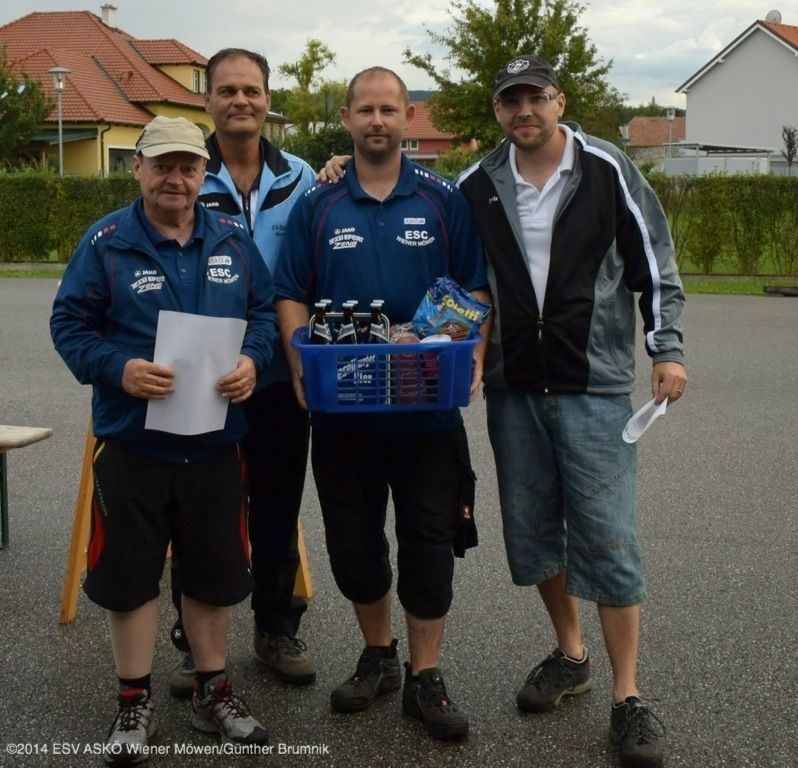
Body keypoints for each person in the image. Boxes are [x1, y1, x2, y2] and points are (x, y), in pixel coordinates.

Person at [455, 55, 687, 767]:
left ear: (559, 100)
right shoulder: (476, 184)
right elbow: (434, 238)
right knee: (534, 534)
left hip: (594, 386)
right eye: (510, 100)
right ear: (498, 111)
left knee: (609, 539)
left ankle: (628, 695)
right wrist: (339, 170)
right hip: (514, 390)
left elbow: (655, 264)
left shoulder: (606, 168)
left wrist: (667, 349)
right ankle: (571, 654)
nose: (523, 110)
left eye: (535, 97)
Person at [274, 66, 490, 742]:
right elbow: (290, 293)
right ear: (346, 118)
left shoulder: (443, 199)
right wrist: (297, 360)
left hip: (427, 409)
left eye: (388, 109)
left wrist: (473, 351)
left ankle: (426, 674)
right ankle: (379, 654)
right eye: (364, 109)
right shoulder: (319, 204)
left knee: (429, 544)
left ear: (406, 118)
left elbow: (476, 289)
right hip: (345, 408)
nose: (376, 120)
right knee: (353, 545)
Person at [51, 116, 276, 761]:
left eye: (187, 167)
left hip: (214, 444)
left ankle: (214, 692)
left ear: (203, 173)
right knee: (130, 578)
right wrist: (117, 369)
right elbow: (69, 324)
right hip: (132, 445)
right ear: (138, 169)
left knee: (211, 574)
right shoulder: (106, 242)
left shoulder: (233, 239)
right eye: (162, 166)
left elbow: (263, 314)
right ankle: (133, 701)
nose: (175, 178)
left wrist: (254, 360)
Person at [167, 48, 318, 697]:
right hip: (204, 373)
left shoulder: (301, 176)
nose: (240, 101)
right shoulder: (185, 171)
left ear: (267, 99)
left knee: (277, 508)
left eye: (251, 90)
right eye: (227, 90)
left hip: (279, 372)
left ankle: (275, 628)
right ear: (208, 101)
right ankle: (194, 644)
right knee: (201, 511)